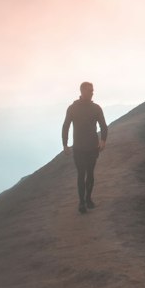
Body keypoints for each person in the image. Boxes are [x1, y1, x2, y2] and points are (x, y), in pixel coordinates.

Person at [62, 81, 108, 214]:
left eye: (92, 90)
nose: (92, 92)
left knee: (90, 173)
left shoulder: (96, 108)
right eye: (90, 90)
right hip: (79, 148)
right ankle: (82, 202)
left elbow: (103, 126)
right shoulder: (72, 108)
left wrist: (103, 140)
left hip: (93, 147)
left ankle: (88, 199)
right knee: (81, 174)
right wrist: (65, 144)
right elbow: (66, 126)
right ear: (82, 91)